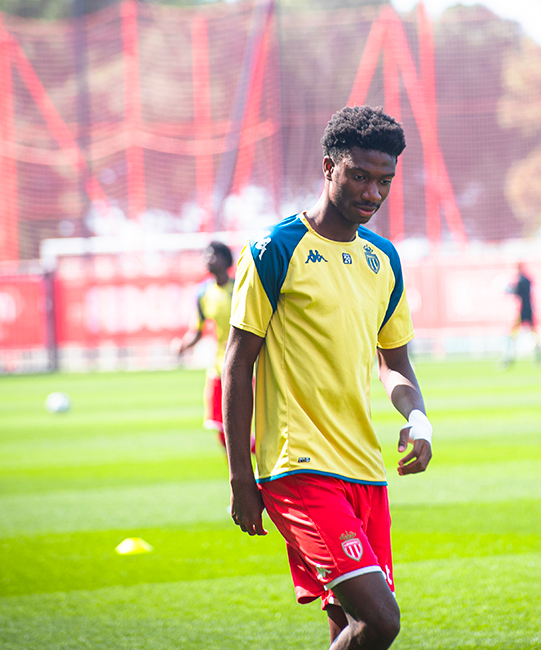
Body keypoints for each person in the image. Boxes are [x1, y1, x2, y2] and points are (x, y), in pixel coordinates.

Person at [224, 106, 433, 650]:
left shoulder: (384, 258)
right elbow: (238, 362)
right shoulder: (274, 249)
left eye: (385, 181)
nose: (373, 192)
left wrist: (418, 418)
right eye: (359, 176)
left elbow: (394, 363)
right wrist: (241, 478)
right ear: (328, 167)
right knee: (381, 622)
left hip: (365, 471)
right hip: (298, 467)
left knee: (349, 626)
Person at [176, 241, 236, 449]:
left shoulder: (240, 289)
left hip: (243, 367)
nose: (207, 259)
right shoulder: (203, 293)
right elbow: (197, 330)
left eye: (212, 254)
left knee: (238, 430)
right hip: (218, 367)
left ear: (225, 260)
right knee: (221, 431)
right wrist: (183, 345)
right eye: (205, 255)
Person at [498, 262, 541, 368]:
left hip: (523, 310)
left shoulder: (522, 280)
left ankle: (508, 358)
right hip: (527, 309)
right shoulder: (526, 279)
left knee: (513, 335)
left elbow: (516, 291)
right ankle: (539, 357)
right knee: (532, 334)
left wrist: (506, 289)